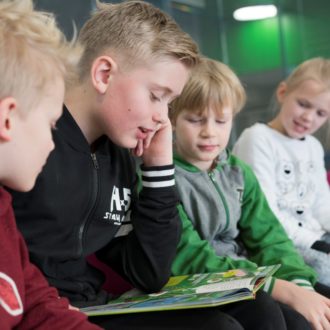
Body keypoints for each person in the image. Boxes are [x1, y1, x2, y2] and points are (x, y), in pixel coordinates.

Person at [8, 1, 248, 329]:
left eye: (169, 102)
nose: (164, 117)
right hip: (43, 311)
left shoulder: (121, 155)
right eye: (155, 95)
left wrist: (159, 170)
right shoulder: (26, 147)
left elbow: (149, 272)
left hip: (93, 306)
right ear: (104, 74)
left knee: (252, 312)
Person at [169, 56, 330, 330]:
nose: (209, 132)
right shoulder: (163, 177)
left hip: (247, 275)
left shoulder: (238, 172)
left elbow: (270, 238)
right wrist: (278, 287)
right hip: (201, 280)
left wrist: (300, 283)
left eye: (221, 120)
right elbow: (187, 255)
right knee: (273, 314)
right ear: (172, 118)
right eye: (196, 120)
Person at [0, 0, 101, 328]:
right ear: (8, 119)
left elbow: (35, 300)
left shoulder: (4, 211)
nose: (52, 142)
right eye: (50, 124)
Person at [233, 57, 330, 289]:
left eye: (321, 113)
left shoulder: (313, 147)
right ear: (283, 92)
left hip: (314, 239)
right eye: (304, 104)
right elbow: (266, 214)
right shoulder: (257, 138)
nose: (308, 117)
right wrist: (316, 242)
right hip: (278, 243)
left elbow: (321, 205)